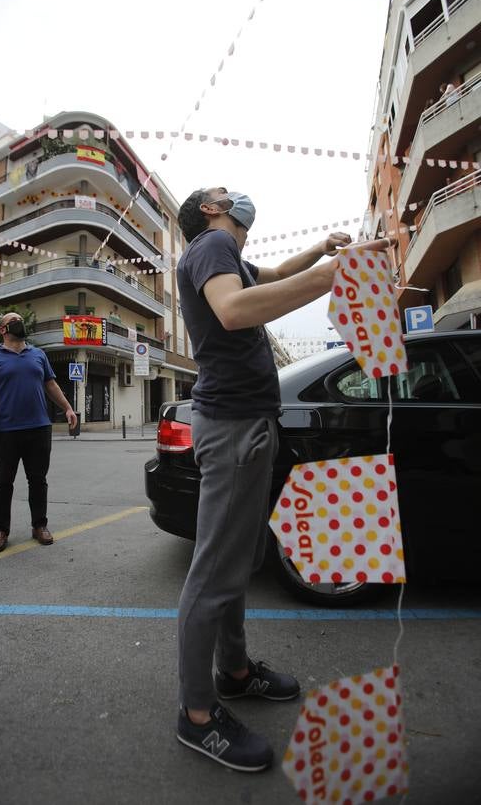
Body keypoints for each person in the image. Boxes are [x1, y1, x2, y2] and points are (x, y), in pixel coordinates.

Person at [174, 187, 389, 772]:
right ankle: (196, 714)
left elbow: (272, 274)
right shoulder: (211, 244)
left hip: (245, 423)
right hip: (233, 426)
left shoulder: (231, 258)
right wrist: (333, 277)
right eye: (223, 192)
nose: (235, 194)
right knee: (216, 571)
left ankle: (236, 672)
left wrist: (321, 251)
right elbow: (236, 311)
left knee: (238, 562)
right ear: (210, 209)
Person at [0, 312, 77, 554]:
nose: (19, 323)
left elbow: (51, 384)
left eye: (20, 319)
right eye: (13, 320)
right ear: (2, 329)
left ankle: (39, 526)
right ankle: (1, 530)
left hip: (39, 428)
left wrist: (68, 408)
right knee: (3, 482)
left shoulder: (38, 354)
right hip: (5, 430)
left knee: (38, 480)